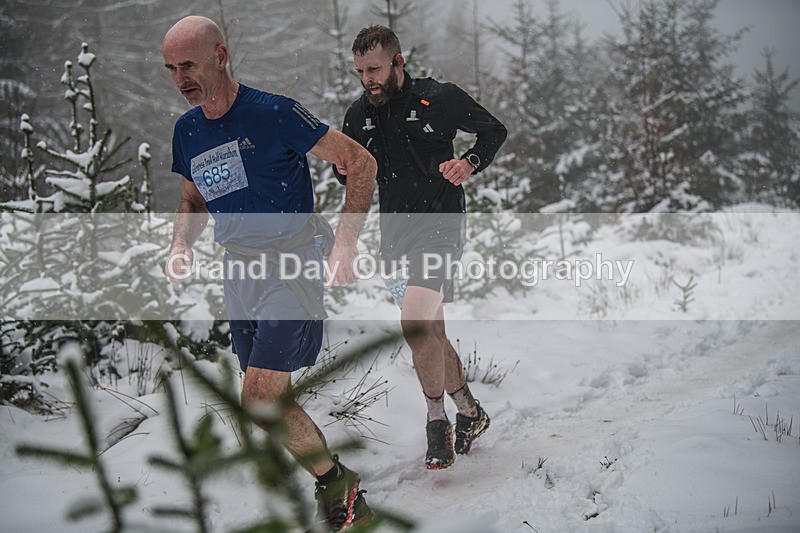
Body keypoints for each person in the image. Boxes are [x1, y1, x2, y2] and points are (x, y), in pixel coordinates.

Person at [161, 16, 377, 531]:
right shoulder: (186, 130)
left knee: (260, 394)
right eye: (170, 69)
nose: (180, 77)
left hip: (293, 262)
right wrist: (179, 244)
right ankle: (333, 476)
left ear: (220, 55)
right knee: (263, 401)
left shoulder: (274, 113)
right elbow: (192, 198)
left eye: (188, 64)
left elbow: (359, 161)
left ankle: (338, 488)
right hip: (239, 272)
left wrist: (346, 243)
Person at [334, 25, 508, 470]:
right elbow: (351, 173)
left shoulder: (438, 97)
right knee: (430, 334)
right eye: (359, 72)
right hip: (395, 235)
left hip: (441, 224)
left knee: (414, 325)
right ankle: (471, 412)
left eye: (374, 69)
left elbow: (493, 131)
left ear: (398, 62)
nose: (368, 79)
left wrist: (468, 162)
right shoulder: (358, 115)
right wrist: (343, 169)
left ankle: (437, 423)